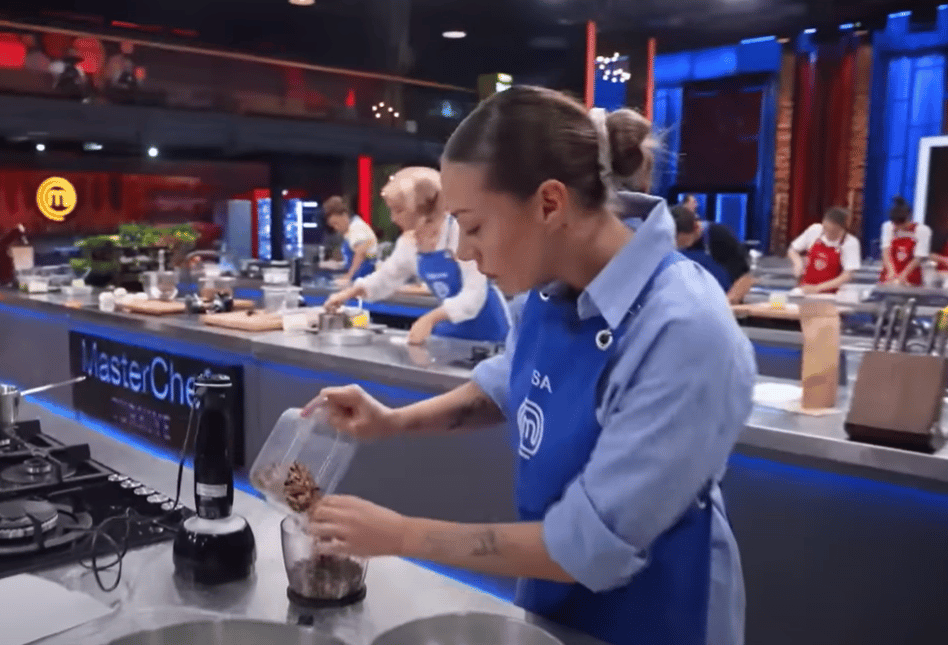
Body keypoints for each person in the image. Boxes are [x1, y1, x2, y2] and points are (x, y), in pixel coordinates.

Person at [302, 87, 754, 645]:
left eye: (473, 227)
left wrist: (401, 535)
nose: (463, 252)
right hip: (554, 604)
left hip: (657, 615)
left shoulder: (683, 328)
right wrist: (393, 421)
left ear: (549, 204)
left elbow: (586, 544)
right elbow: (508, 384)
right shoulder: (548, 288)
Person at [323, 167, 511, 344]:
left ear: (423, 209)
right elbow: (385, 278)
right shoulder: (409, 243)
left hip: (490, 330)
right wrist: (348, 293)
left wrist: (430, 319)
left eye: (399, 210)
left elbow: (473, 297)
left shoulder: (460, 235)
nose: (393, 218)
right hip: (452, 328)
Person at [671, 205, 754, 303]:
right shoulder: (667, 243)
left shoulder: (719, 235)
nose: (679, 246)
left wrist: (727, 303)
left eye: (683, 243)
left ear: (696, 227)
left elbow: (744, 277)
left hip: (723, 303)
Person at [787, 206, 861, 294]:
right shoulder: (815, 229)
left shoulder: (850, 242)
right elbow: (792, 250)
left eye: (832, 232)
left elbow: (847, 275)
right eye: (825, 229)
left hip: (833, 294)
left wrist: (817, 288)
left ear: (842, 228)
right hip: (805, 289)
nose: (827, 234)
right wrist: (798, 263)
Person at [323, 195, 378, 283]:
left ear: (344, 215)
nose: (336, 228)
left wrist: (348, 276)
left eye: (336, 223)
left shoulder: (357, 227)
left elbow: (360, 253)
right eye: (333, 225)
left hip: (365, 280)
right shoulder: (350, 231)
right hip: (358, 280)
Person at [879, 196, 930, 286]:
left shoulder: (922, 230)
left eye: (899, 224)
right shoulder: (888, 226)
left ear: (908, 219)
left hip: (911, 276)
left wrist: (903, 276)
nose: (896, 227)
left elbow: (918, 257)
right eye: (894, 224)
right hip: (889, 274)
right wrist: (891, 272)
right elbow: (885, 251)